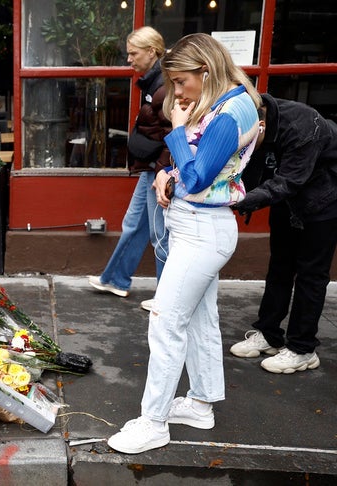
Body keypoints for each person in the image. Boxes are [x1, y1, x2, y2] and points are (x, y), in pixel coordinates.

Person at [107, 33, 260, 454]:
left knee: (166, 322)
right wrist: (167, 175)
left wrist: (175, 129)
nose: (175, 91)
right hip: (202, 226)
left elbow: (197, 178)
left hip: (202, 231)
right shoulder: (231, 103)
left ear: (205, 71)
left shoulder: (229, 112)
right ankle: (201, 404)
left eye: (180, 80)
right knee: (198, 320)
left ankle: (154, 422)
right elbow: (198, 172)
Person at [229, 94, 337, 374]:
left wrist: (239, 201)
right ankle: (269, 335)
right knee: (279, 268)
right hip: (285, 198)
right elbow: (249, 168)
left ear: (261, 125)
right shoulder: (251, 120)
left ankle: (302, 348)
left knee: (311, 275)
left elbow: (289, 180)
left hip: (324, 199)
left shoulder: (303, 125)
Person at [88, 27, 171, 312]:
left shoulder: (163, 86)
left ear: (152, 51)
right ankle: (115, 279)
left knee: (159, 234)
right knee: (136, 224)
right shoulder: (155, 82)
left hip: (156, 170)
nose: (129, 59)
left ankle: (167, 297)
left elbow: (172, 134)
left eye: (133, 53)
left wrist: (162, 171)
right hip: (150, 168)